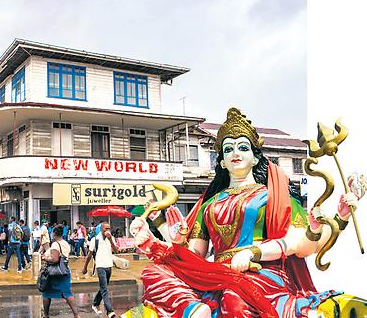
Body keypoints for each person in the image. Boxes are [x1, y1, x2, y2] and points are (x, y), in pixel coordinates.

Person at [129, 107, 359, 317]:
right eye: (228, 149)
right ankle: (193, 309)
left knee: (234, 298)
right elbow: (196, 256)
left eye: (242, 147)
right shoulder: (209, 204)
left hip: (262, 272)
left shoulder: (274, 196)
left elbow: (300, 247)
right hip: (214, 273)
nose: (235, 153)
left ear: (255, 156)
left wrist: (254, 253)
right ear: (221, 162)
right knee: (154, 273)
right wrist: (172, 241)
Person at [41, 225, 80, 318]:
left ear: (54, 234)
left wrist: (45, 258)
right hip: (64, 270)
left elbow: (54, 259)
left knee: (46, 293)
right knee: (67, 293)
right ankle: (76, 315)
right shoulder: (65, 243)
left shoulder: (55, 244)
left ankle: (46, 315)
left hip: (54, 273)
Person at [82, 222, 119, 318]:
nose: (107, 231)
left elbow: (116, 250)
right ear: (101, 229)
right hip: (100, 266)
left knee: (104, 287)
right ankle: (109, 311)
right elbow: (89, 255)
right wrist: (85, 267)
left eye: (109, 229)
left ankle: (95, 303)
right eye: (105, 229)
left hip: (109, 266)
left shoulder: (111, 238)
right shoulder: (95, 240)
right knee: (105, 289)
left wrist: (111, 239)